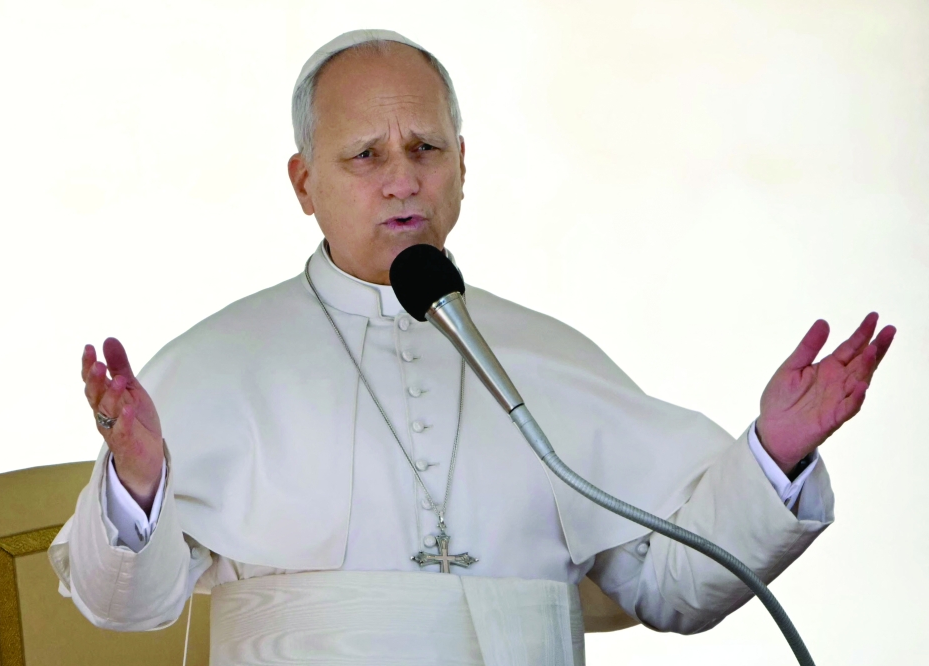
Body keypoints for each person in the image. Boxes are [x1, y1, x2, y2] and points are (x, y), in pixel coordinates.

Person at [48, 29, 895, 665]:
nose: (403, 177)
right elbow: (125, 606)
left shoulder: (545, 355)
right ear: (304, 182)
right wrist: (138, 484)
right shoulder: (219, 361)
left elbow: (674, 591)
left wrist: (773, 458)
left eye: (427, 148)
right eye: (365, 155)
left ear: (463, 163)